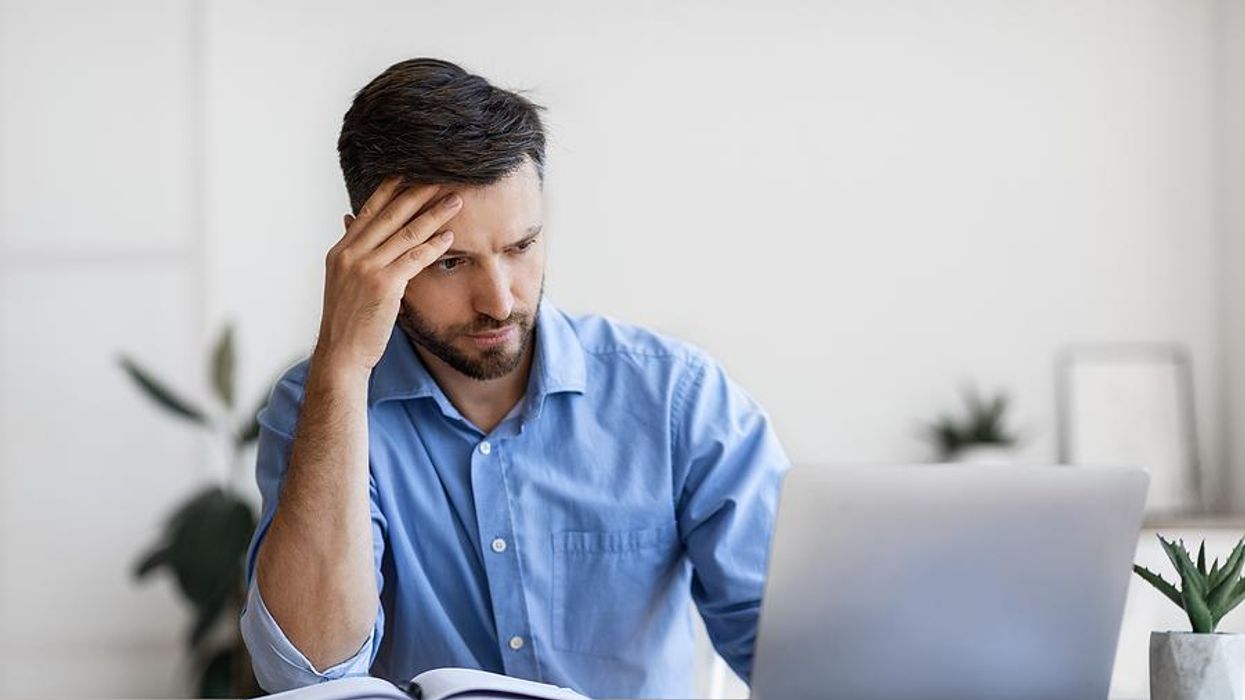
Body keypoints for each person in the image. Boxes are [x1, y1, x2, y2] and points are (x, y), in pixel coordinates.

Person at [239, 57, 790, 699]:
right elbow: (307, 675)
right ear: (368, 255)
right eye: (450, 262)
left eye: (520, 247)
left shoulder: (677, 399)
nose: (499, 300)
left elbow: (801, 655)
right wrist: (342, 362)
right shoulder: (320, 405)